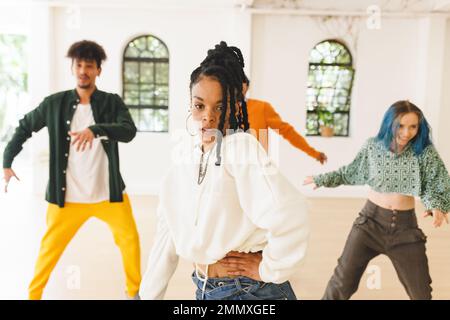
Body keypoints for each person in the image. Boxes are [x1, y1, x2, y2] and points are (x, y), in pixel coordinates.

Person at [139, 41, 309, 300]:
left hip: (249, 293)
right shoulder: (183, 164)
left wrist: (269, 268)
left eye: (219, 106)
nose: (208, 116)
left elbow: (290, 211)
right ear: (190, 106)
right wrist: (147, 296)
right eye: (200, 106)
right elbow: (166, 238)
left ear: (235, 108)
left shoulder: (240, 148)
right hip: (207, 289)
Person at [2, 40, 141, 300]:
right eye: (79, 65)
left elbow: (129, 131)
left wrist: (97, 129)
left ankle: (133, 293)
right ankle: (33, 296)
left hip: (107, 195)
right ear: (72, 68)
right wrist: (7, 160)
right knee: (48, 252)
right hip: (66, 199)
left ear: (98, 70)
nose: (83, 70)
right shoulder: (55, 103)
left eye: (89, 66)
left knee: (130, 241)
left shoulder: (111, 102)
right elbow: (24, 127)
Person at [304, 100, 450, 300]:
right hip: (369, 224)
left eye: (413, 126)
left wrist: (436, 206)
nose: (406, 132)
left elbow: (437, 183)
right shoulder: (373, 147)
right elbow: (351, 172)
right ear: (389, 124)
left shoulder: (424, 152)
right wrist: (323, 179)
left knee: (422, 293)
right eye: (401, 125)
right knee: (340, 285)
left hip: (405, 230)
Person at [243, 79, 327, 164]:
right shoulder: (229, 110)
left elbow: (288, 132)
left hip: (256, 168)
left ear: (246, 86)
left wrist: (314, 153)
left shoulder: (262, 108)